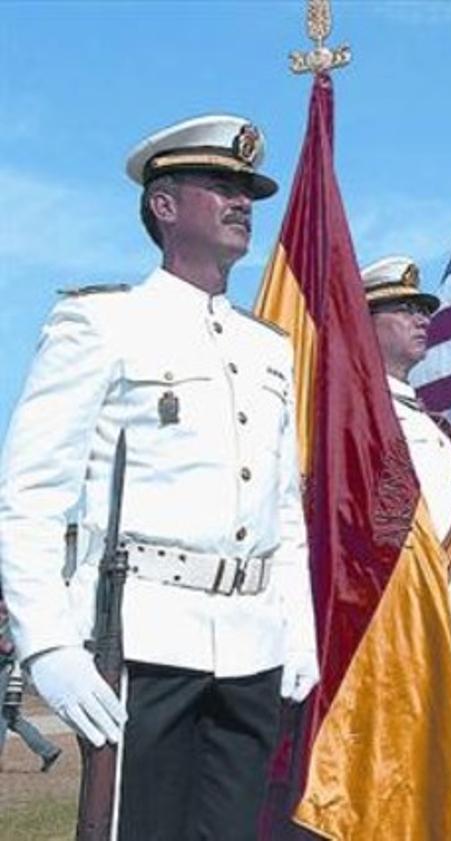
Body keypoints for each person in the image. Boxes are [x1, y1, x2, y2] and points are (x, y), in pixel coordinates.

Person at [0, 115, 318, 838]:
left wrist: (296, 632)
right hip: (143, 639)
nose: (242, 202)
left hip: (251, 645)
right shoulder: (102, 322)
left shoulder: (264, 347)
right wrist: (48, 642)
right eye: (221, 186)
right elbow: (30, 495)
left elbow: (284, 507)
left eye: (248, 191)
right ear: (164, 205)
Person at [363, 255, 451, 755]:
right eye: (403, 309)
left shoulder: (435, 427)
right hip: (394, 632)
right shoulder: (359, 421)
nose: (421, 320)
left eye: (423, 310)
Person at [0, 595, 61, 772]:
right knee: (11, 717)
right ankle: (48, 750)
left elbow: (9, 648)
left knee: (3, 716)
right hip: (8, 671)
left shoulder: (15, 624)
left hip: (7, 672)